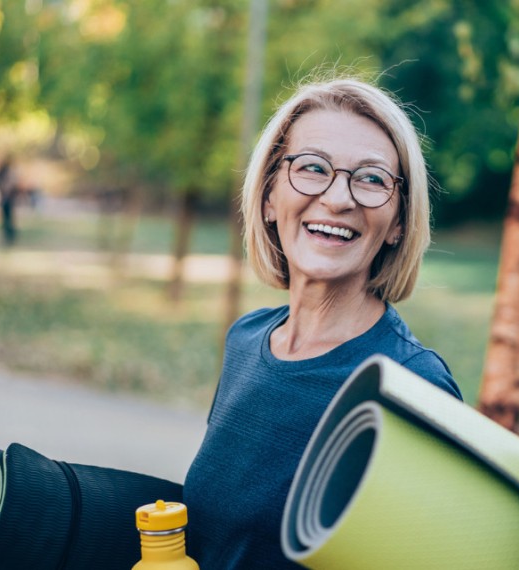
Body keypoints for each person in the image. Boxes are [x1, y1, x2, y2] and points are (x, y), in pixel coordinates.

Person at [182, 77, 462, 568]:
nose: (338, 198)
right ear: (269, 198)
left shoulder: (412, 385)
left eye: (372, 179)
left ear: (399, 222)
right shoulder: (247, 340)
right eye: (312, 168)